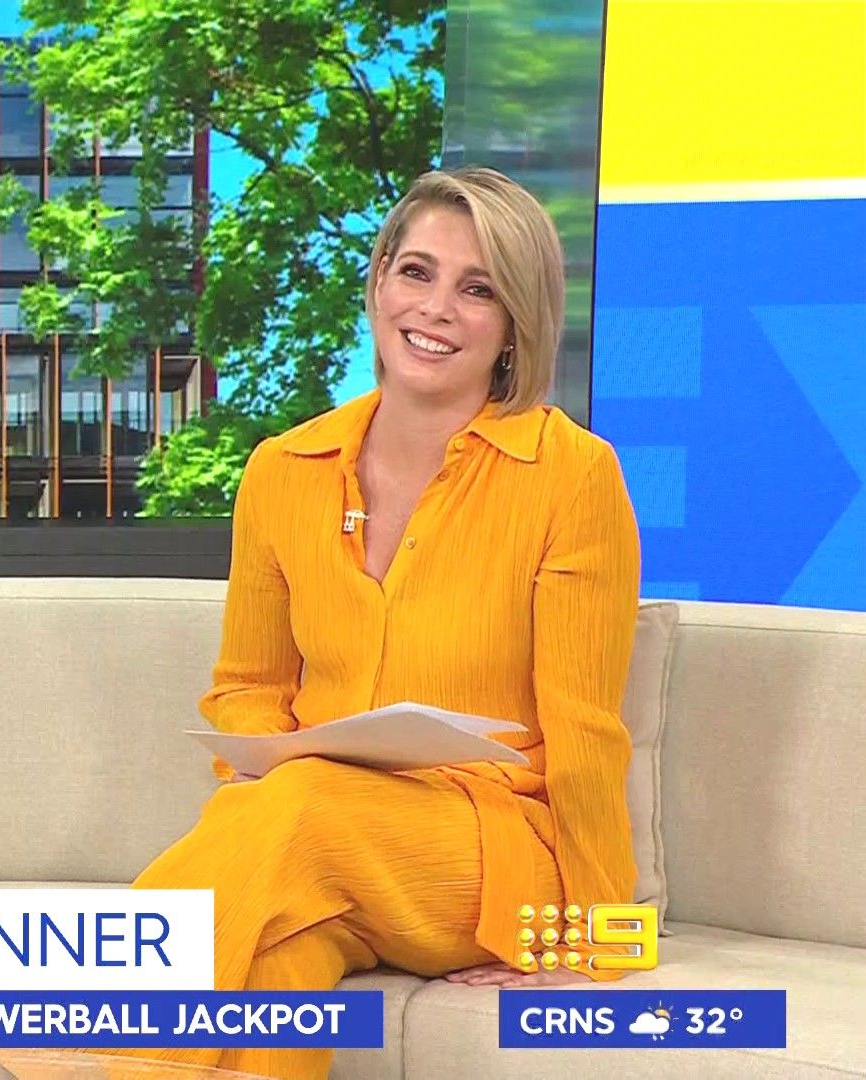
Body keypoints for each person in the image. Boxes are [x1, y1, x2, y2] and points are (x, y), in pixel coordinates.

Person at [112, 167, 640, 1080]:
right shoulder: (283, 469)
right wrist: (267, 764)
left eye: (478, 290)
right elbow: (249, 688)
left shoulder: (572, 477)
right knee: (274, 964)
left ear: (516, 324)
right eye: (417, 272)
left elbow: (585, 729)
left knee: (301, 810)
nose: (436, 309)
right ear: (379, 281)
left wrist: (603, 940)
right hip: (313, 841)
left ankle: (7, 1062)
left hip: (484, 852)